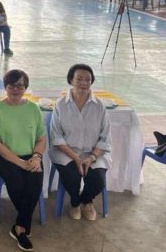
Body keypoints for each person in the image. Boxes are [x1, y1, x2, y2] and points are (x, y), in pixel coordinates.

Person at [0, 69, 46, 252]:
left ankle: (19, 227)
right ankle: (24, 223)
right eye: (12, 85)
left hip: (30, 154)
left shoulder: (33, 108)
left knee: (35, 179)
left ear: (25, 87)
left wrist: (36, 156)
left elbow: (41, 138)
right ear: (6, 87)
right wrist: (20, 163)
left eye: (20, 85)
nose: (16, 89)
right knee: (17, 180)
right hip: (1, 155)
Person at [49, 64, 111, 221]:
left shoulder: (100, 106)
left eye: (87, 79)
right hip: (66, 152)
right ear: (71, 80)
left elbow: (105, 138)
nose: (84, 83)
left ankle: (86, 202)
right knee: (72, 176)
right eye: (79, 79)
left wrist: (91, 158)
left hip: (93, 153)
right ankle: (75, 203)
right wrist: (76, 158)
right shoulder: (61, 105)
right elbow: (56, 137)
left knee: (97, 180)